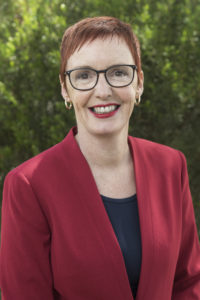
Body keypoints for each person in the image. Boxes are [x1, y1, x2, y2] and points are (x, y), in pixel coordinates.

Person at [0, 16, 200, 300]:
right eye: (83, 75)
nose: (103, 90)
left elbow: (188, 282)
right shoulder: (28, 185)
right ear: (64, 88)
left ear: (139, 83)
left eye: (118, 72)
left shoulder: (171, 166)